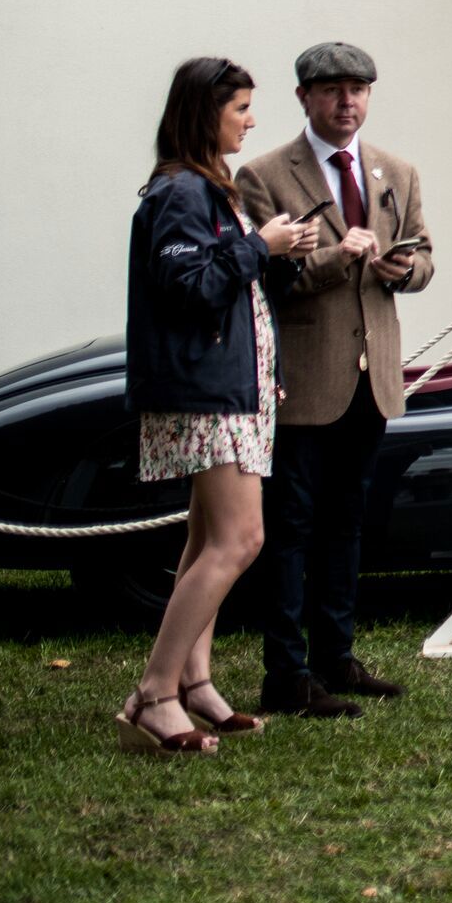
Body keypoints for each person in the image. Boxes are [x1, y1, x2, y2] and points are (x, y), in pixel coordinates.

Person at [121, 57, 320, 753]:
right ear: (206, 113)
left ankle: (195, 683)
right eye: (241, 108)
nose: (252, 120)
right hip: (205, 395)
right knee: (242, 540)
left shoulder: (211, 189)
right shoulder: (181, 193)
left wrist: (278, 254)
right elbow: (188, 288)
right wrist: (253, 245)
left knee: (207, 541)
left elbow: (231, 287)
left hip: (231, 391)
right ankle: (154, 693)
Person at [233, 42, 435, 719]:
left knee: (347, 523)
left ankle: (336, 658)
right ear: (304, 99)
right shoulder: (263, 177)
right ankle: (285, 675)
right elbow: (260, 276)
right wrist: (332, 259)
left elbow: (425, 254)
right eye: (332, 91)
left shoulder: (395, 172)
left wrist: (402, 271)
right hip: (303, 381)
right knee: (290, 526)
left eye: (358, 90)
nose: (347, 102)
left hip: (370, 377)